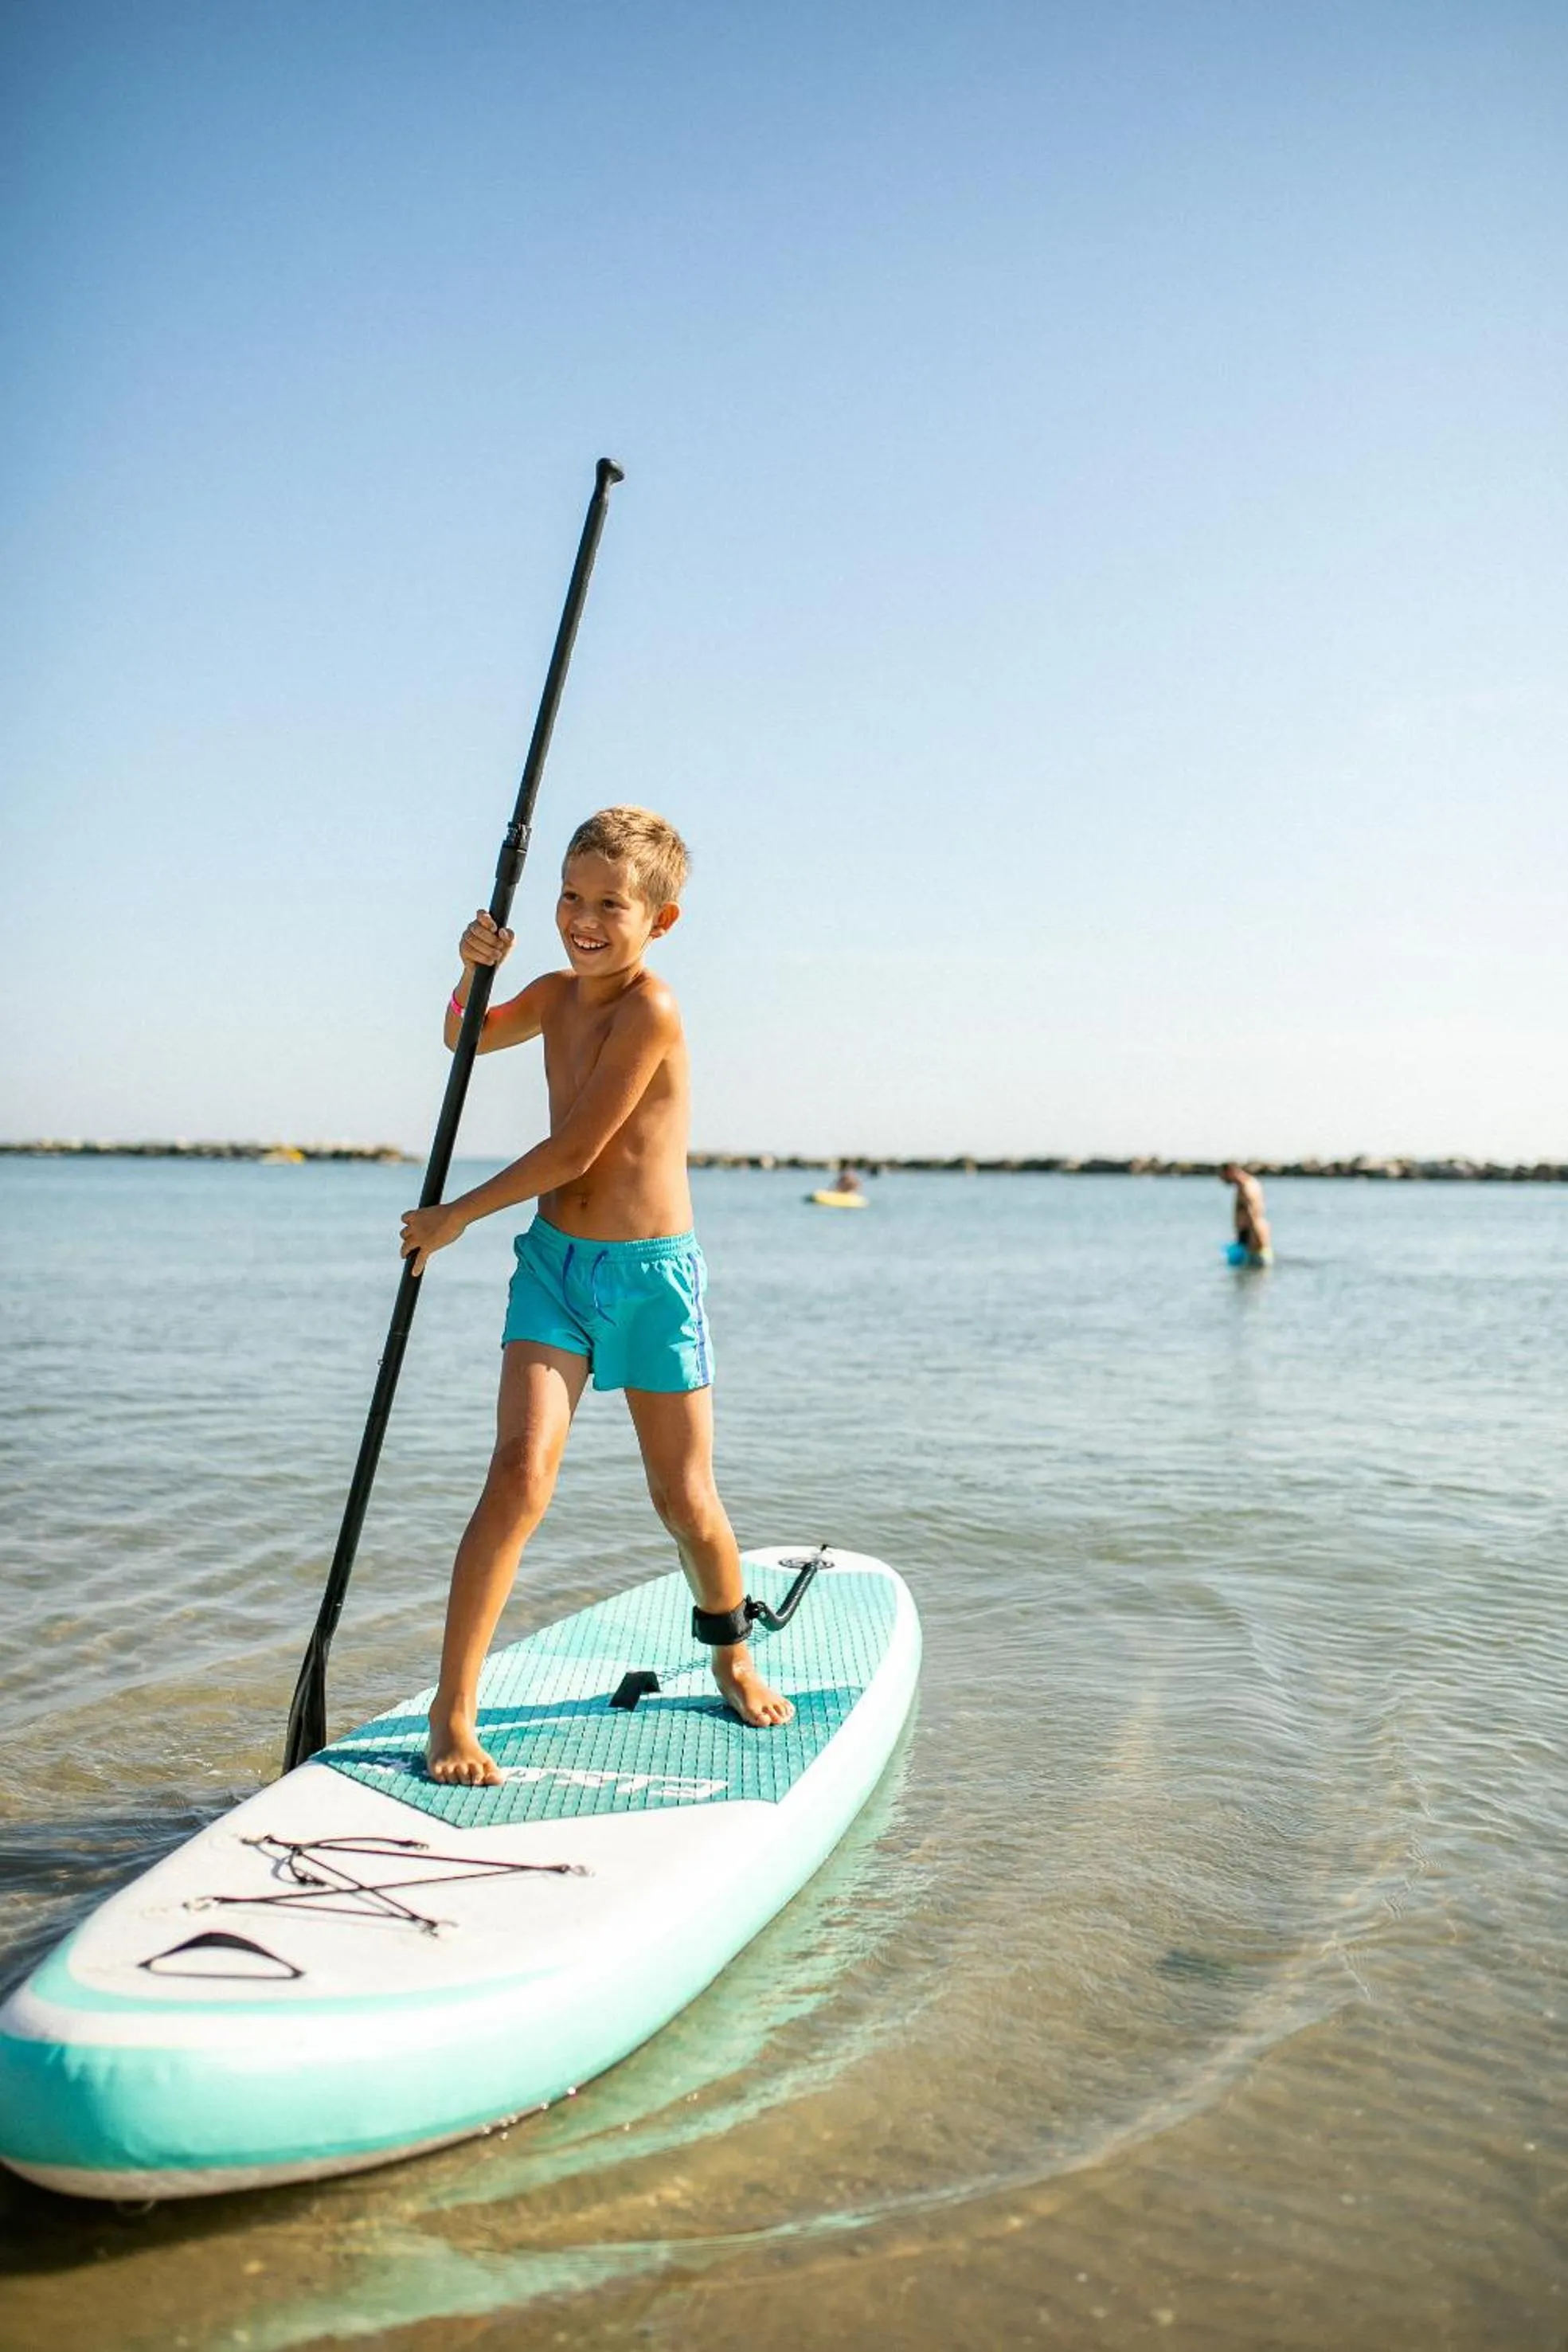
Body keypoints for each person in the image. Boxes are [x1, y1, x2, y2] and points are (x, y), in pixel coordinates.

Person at [398, 805, 792, 1788]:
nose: (583, 918)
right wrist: (469, 970)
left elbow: (578, 1147)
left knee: (684, 1498)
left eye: (609, 903)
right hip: (557, 1271)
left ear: (659, 919)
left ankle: (732, 1652)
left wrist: (457, 1216)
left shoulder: (650, 1010)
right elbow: (462, 1039)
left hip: (653, 1282)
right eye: (570, 897)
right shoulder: (552, 993)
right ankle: (454, 1711)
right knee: (518, 1473)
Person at [1220, 1163, 1273, 1264]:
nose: (1222, 1180)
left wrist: (1254, 1243)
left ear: (1230, 1172)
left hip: (1253, 1240)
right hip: (1253, 1237)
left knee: (1251, 1277)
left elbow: (1253, 1216)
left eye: (1223, 1176)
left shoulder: (1246, 1189)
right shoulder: (1252, 1183)